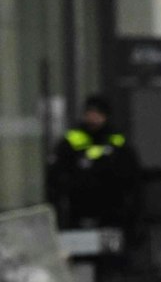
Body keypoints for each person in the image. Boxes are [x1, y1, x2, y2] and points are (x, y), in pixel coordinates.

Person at [50, 95, 140, 232]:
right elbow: (57, 177)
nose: (93, 118)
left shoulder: (117, 141)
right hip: (78, 211)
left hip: (112, 212)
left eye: (98, 113)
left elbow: (131, 177)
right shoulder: (71, 141)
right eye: (90, 113)